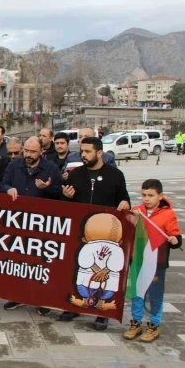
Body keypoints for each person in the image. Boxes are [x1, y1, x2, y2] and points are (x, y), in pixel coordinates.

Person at [58, 137, 130, 330]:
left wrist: (124, 204)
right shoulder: (76, 175)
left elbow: (124, 200)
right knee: (77, 270)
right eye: (82, 151)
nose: (84, 155)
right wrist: (66, 197)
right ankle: (73, 306)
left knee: (103, 273)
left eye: (88, 151)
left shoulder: (115, 175)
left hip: (105, 233)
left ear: (99, 153)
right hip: (81, 232)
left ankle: (101, 313)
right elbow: (65, 205)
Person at [0, 136, 62, 315]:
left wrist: (47, 188)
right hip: (18, 221)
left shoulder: (51, 168)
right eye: (26, 150)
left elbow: (60, 193)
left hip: (41, 224)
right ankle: (17, 296)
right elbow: (2, 184)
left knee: (41, 264)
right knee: (19, 261)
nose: (28, 154)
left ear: (41, 152)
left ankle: (43, 300)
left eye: (32, 151)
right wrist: (7, 189)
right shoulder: (14, 166)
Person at [124, 179, 182, 342]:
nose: (146, 199)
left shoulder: (168, 213)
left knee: (155, 294)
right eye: (144, 195)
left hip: (157, 261)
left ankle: (154, 324)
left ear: (160, 196)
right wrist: (129, 217)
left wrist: (176, 240)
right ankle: (135, 322)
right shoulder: (137, 210)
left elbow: (175, 234)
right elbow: (127, 229)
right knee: (137, 292)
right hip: (138, 260)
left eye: (151, 195)